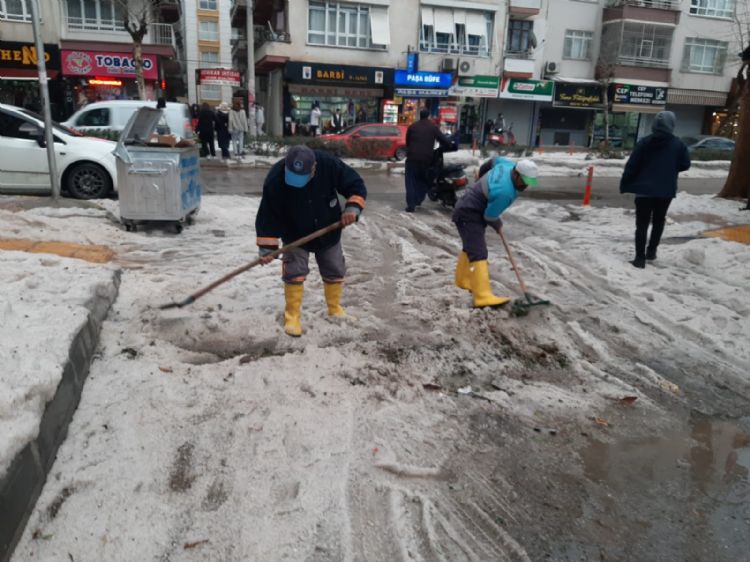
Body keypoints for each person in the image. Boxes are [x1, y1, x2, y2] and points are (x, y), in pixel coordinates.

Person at [255, 145, 367, 337]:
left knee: (334, 268)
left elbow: (355, 184)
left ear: (314, 167)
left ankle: (334, 308)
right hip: (294, 234)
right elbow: (268, 215)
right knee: (294, 272)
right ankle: (292, 316)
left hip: (328, 229)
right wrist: (267, 248)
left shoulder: (329, 165)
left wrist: (352, 208)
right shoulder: (275, 179)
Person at [453, 157, 539, 308]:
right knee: (479, 252)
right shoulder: (505, 192)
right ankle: (482, 297)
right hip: (469, 212)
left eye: (528, 183)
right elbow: (490, 216)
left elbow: (491, 161)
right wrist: (498, 224)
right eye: (523, 181)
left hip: (468, 206)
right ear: (516, 174)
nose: (525, 186)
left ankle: (462, 280)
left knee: (470, 246)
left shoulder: (507, 165)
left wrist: (481, 177)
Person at [620, 111, 691, 268]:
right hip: (665, 190)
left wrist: (625, 182)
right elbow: (685, 164)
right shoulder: (678, 145)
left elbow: (632, 165)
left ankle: (640, 258)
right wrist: (670, 168)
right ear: (672, 124)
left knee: (642, 224)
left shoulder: (644, 142)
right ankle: (651, 251)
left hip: (643, 191)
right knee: (659, 221)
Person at [404, 108, 452, 213]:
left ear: (420, 116)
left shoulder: (412, 126)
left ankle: (411, 205)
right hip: (426, 159)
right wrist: (450, 145)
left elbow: (407, 142)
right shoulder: (433, 127)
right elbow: (443, 139)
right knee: (424, 180)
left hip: (412, 158)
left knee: (410, 182)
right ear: (428, 116)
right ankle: (417, 200)